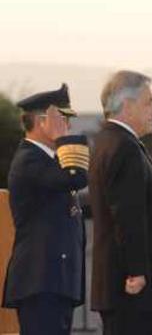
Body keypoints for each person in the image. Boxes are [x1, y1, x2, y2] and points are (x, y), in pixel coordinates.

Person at [89, 70, 152, 335]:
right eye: (149, 102)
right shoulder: (123, 148)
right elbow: (128, 215)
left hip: (125, 289)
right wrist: (137, 272)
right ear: (128, 106)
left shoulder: (111, 141)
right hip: (132, 291)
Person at [1, 84, 90, 335]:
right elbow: (76, 178)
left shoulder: (46, 160)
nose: (68, 127)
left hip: (53, 280)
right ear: (43, 122)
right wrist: (65, 140)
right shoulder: (30, 159)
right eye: (62, 120)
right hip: (41, 281)